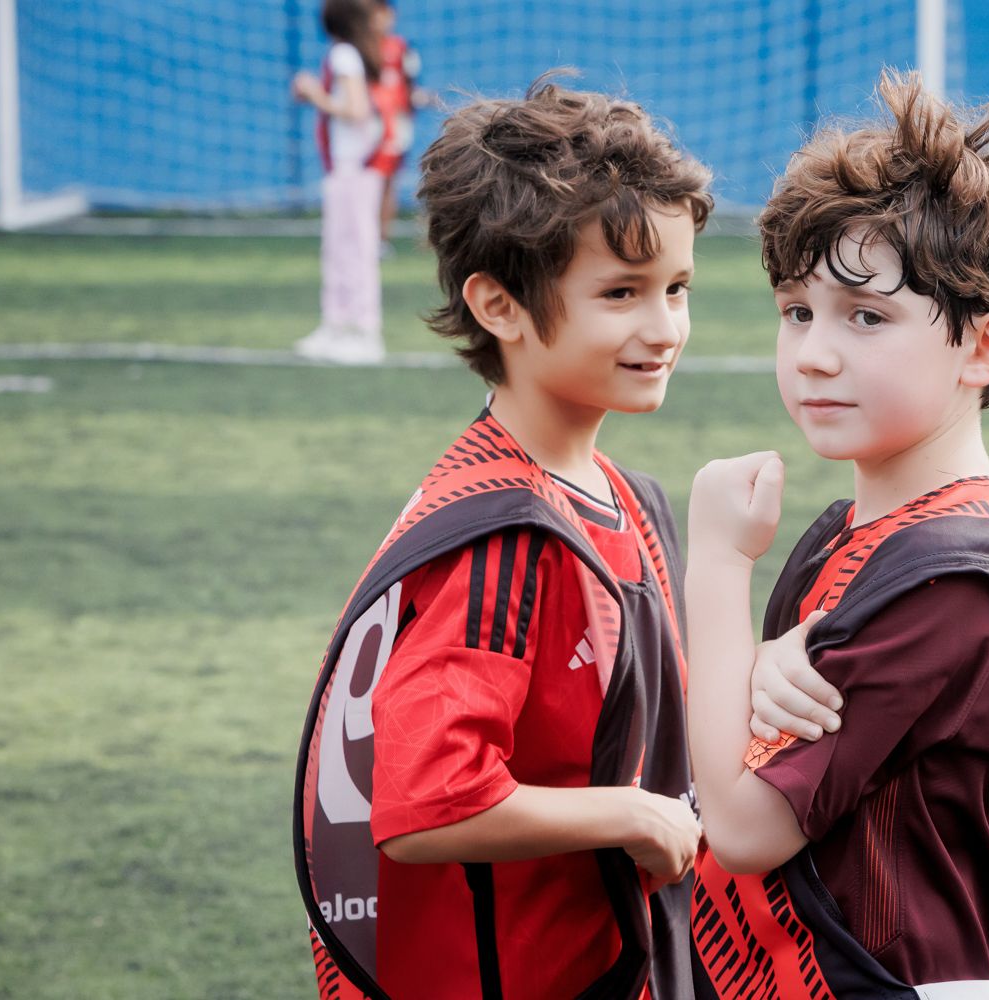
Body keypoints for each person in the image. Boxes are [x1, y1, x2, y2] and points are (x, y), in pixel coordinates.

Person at [685, 71, 989, 1000]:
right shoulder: (883, 533)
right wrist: (759, 667)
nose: (814, 353)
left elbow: (744, 828)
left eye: (867, 317)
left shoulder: (947, 576)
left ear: (987, 348)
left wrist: (714, 564)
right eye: (797, 311)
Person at [293, 76, 714, 999]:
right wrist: (628, 815)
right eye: (621, 292)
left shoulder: (624, 497)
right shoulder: (506, 534)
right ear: (499, 306)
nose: (665, 327)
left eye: (677, 288)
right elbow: (426, 806)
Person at [291, 0, 386, 364]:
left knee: (357, 248)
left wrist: (315, 94)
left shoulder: (344, 54)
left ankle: (366, 331)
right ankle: (336, 325)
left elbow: (357, 109)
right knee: (338, 248)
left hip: (355, 167)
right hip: (347, 168)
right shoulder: (349, 53)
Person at [367, 0, 428, 259]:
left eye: (383, 12)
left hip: (396, 125)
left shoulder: (402, 48)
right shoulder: (359, 49)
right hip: (367, 124)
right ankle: (361, 236)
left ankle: (381, 240)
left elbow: (411, 86)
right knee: (366, 182)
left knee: (388, 181)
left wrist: (419, 98)